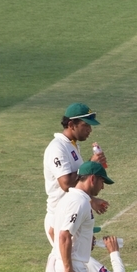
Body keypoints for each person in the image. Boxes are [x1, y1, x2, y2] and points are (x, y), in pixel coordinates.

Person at [43, 102, 108, 244]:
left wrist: (91, 200)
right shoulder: (57, 148)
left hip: (70, 214)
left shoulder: (72, 145)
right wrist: (91, 163)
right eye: (86, 125)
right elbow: (66, 183)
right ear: (72, 124)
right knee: (67, 264)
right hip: (59, 219)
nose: (90, 130)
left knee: (78, 262)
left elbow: (77, 186)